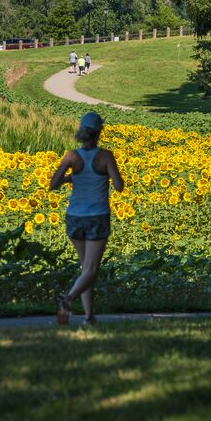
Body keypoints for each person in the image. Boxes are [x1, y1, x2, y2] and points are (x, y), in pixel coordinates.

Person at [50, 112, 124, 325]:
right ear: (100, 132)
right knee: (91, 270)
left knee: (86, 269)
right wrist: (107, 176)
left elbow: (53, 185)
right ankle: (67, 299)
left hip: (74, 217)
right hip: (97, 217)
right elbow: (119, 187)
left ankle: (89, 316)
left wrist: (70, 178)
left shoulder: (72, 156)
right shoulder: (106, 156)